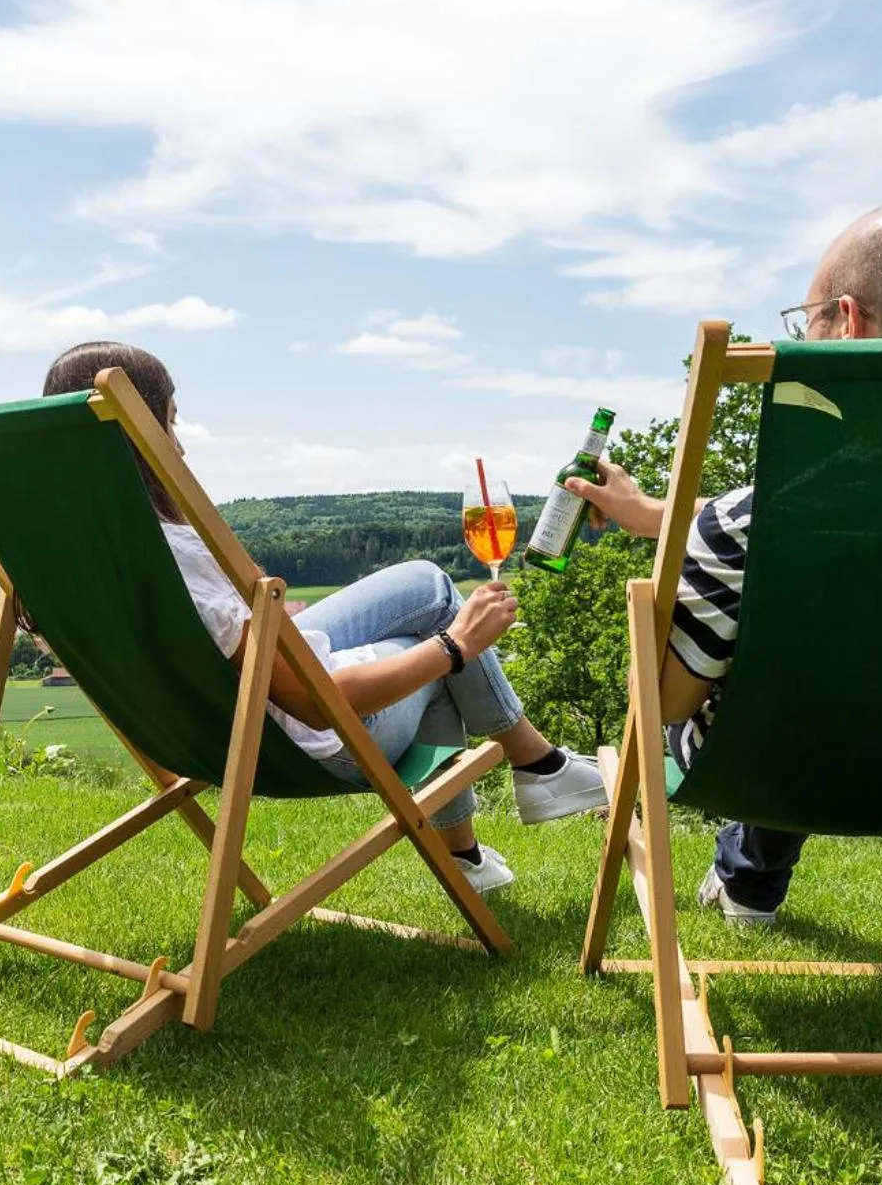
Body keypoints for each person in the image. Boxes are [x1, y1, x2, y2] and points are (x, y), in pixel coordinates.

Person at [43, 340, 607, 897]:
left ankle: (515, 798)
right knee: (436, 645)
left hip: (200, 730)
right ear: (136, 437)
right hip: (303, 742)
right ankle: (526, 783)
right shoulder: (177, 557)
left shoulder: (60, 552)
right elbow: (317, 704)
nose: (182, 448)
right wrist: (455, 646)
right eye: (170, 423)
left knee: (428, 584)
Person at [565, 200, 882, 925]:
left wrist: (678, 576)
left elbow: (665, 704)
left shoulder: (745, 526)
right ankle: (748, 883)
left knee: (762, 667)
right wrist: (656, 515)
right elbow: (790, 521)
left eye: (809, 320)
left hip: (775, 766)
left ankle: (748, 879)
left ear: (849, 322)